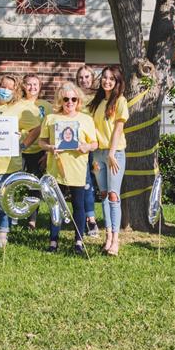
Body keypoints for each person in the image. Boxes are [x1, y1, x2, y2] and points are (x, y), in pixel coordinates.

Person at [39, 81, 99, 255]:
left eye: (73, 98)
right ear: (60, 100)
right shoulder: (51, 119)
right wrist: (50, 147)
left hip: (78, 168)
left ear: (78, 100)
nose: (70, 102)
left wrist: (86, 147)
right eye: (66, 99)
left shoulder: (86, 119)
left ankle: (79, 241)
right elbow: (41, 142)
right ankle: (53, 241)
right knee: (55, 206)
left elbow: (95, 143)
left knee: (78, 205)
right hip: (55, 169)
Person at [0, 73, 35, 249]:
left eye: (10, 88)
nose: (5, 91)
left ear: (16, 91)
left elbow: (36, 129)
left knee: (2, 199)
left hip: (8, 163)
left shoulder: (20, 107)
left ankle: (3, 235)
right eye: (3, 86)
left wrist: (22, 145)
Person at [89, 66, 129, 255]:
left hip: (115, 154)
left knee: (114, 195)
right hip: (98, 155)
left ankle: (115, 239)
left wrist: (112, 153)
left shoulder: (120, 101)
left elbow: (118, 129)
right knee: (104, 195)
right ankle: (107, 236)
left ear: (117, 81)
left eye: (111, 78)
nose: (107, 81)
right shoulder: (96, 102)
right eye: (104, 77)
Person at [19, 73, 51, 229]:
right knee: (15, 184)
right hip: (19, 151)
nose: (32, 87)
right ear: (24, 86)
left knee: (35, 185)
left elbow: (51, 129)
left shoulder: (46, 105)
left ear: (40, 87)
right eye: (29, 84)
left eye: (35, 84)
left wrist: (47, 153)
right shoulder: (17, 104)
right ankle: (13, 216)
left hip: (39, 151)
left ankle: (32, 219)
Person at [74, 64, 99, 240]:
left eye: (87, 77)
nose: (84, 80)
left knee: (93, 183)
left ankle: (90, 218)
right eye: (81, 77)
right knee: (83, 183)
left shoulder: (98, 97)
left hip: (96, 146)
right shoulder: (73, 97)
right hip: (79, 147)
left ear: (92, 78)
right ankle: (88, 219)